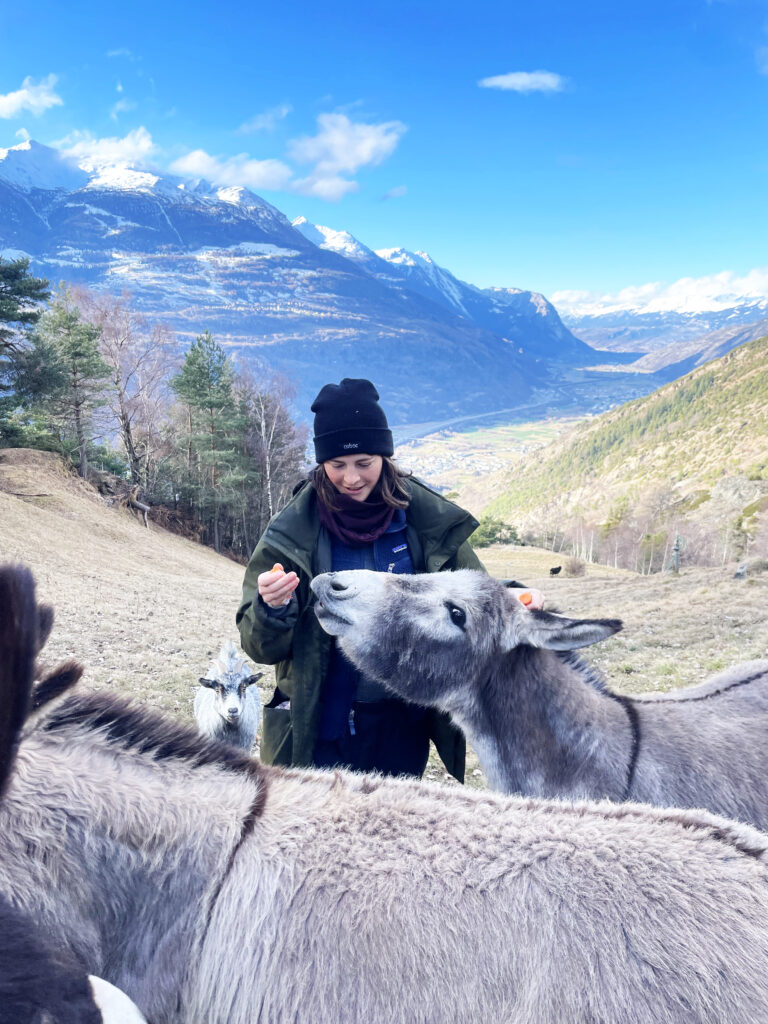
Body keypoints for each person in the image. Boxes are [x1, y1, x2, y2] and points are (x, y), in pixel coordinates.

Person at [237, 378, 541, 781]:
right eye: (336, 465)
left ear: (385, 456)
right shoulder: (293, 532)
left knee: (393, 839)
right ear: (320, 464)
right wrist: (272, 608)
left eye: (364, 462)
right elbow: (259, 647)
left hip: (404, 726)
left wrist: (512, 597)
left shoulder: (423, 523)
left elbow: (472, 594)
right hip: (320, 730)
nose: (351, 478)